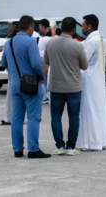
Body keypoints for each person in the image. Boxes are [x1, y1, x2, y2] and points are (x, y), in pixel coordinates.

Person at [2, 15, 50, 158]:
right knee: (33, 117)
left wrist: (14, 74)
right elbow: (36, 63)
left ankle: (17, 149)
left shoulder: (9, 43)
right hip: (30, 85)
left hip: (15, 86)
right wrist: (41, 76)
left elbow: (4, 62)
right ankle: (33, 149)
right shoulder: (30, 42)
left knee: (17, 118)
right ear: (30, 27)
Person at [43, 16, 88, 155]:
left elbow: (46, 62)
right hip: (73, 87)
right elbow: (84, 66)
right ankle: (70, 147)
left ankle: (59, 146)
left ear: (61, 28)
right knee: (74, 117)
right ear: (74, 29)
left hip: (56, 86)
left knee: (55, 116)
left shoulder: (51, 43)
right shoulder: (78, 45)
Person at [75, 14, 106, 151]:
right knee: (99, 110)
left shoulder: (91, 42)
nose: (82, 28)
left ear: (89, 26)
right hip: (99, 80)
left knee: (90, 111)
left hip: (89, 81)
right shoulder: (100, 39)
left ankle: (91, 143)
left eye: (83, 25)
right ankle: (101, 141)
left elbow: (83, 61)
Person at [1, 21, 19, 126]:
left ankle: (8, 118)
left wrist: (10, 69)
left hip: (12, 75)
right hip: (26, 75)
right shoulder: (28, 41)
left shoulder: (8, 42)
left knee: (10, 97)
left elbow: (3, 61)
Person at [37, 19, 53, 104]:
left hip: (44, 62)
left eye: (40, 27)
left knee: (44, 80)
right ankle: (48, 96)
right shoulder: (52, 39)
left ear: (42, 27)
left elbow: (38, 52)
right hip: (52, 63)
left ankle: (45, 97)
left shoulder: (43, 40)